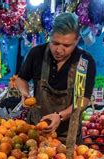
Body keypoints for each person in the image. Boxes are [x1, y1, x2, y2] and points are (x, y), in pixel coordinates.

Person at [15, 12, 96, 142]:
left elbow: (83, 100)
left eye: (66, 45)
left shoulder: (85, 61)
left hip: (68, 135)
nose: (59, 50)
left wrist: (60, 116)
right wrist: (24, 92)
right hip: (36, 132)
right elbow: (21, 78)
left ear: (77, 40)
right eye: (55, 43)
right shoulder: (37, 54)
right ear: (50, 36)